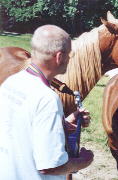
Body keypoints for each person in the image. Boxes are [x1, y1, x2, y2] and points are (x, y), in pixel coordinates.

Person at [0, 25, 94, 180]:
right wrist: (83, 161)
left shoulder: (11, 82)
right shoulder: (47, 98)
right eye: (68, 55)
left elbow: (18, 127)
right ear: (59, 57)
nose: (69, 59)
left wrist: (62, 124)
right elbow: (51, 166)